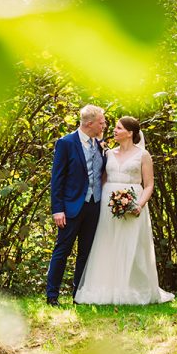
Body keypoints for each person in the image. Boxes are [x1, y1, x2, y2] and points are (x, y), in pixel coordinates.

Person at [73, 116, 174, 304]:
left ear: (130, 133)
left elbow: (149, 184)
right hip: (108, 204)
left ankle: (132, 288)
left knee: (132, 246)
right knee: (106, 243)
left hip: (134, 202)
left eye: (119, 128)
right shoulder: (108, 154)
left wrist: (139, 204)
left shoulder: (143, 155)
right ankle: (104, 288)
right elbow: (101, 180)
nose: (114, 130)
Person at [45, 104, 107, 306]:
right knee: (62, 251)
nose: (104, 125)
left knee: (85, 253)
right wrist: (58, 209)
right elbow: (57, 179)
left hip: (94, 205)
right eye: (101, 121)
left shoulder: (99, 144)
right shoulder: (66, 143)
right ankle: (52, 296)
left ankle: (78, 295)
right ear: (89, 123)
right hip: (71, 207)